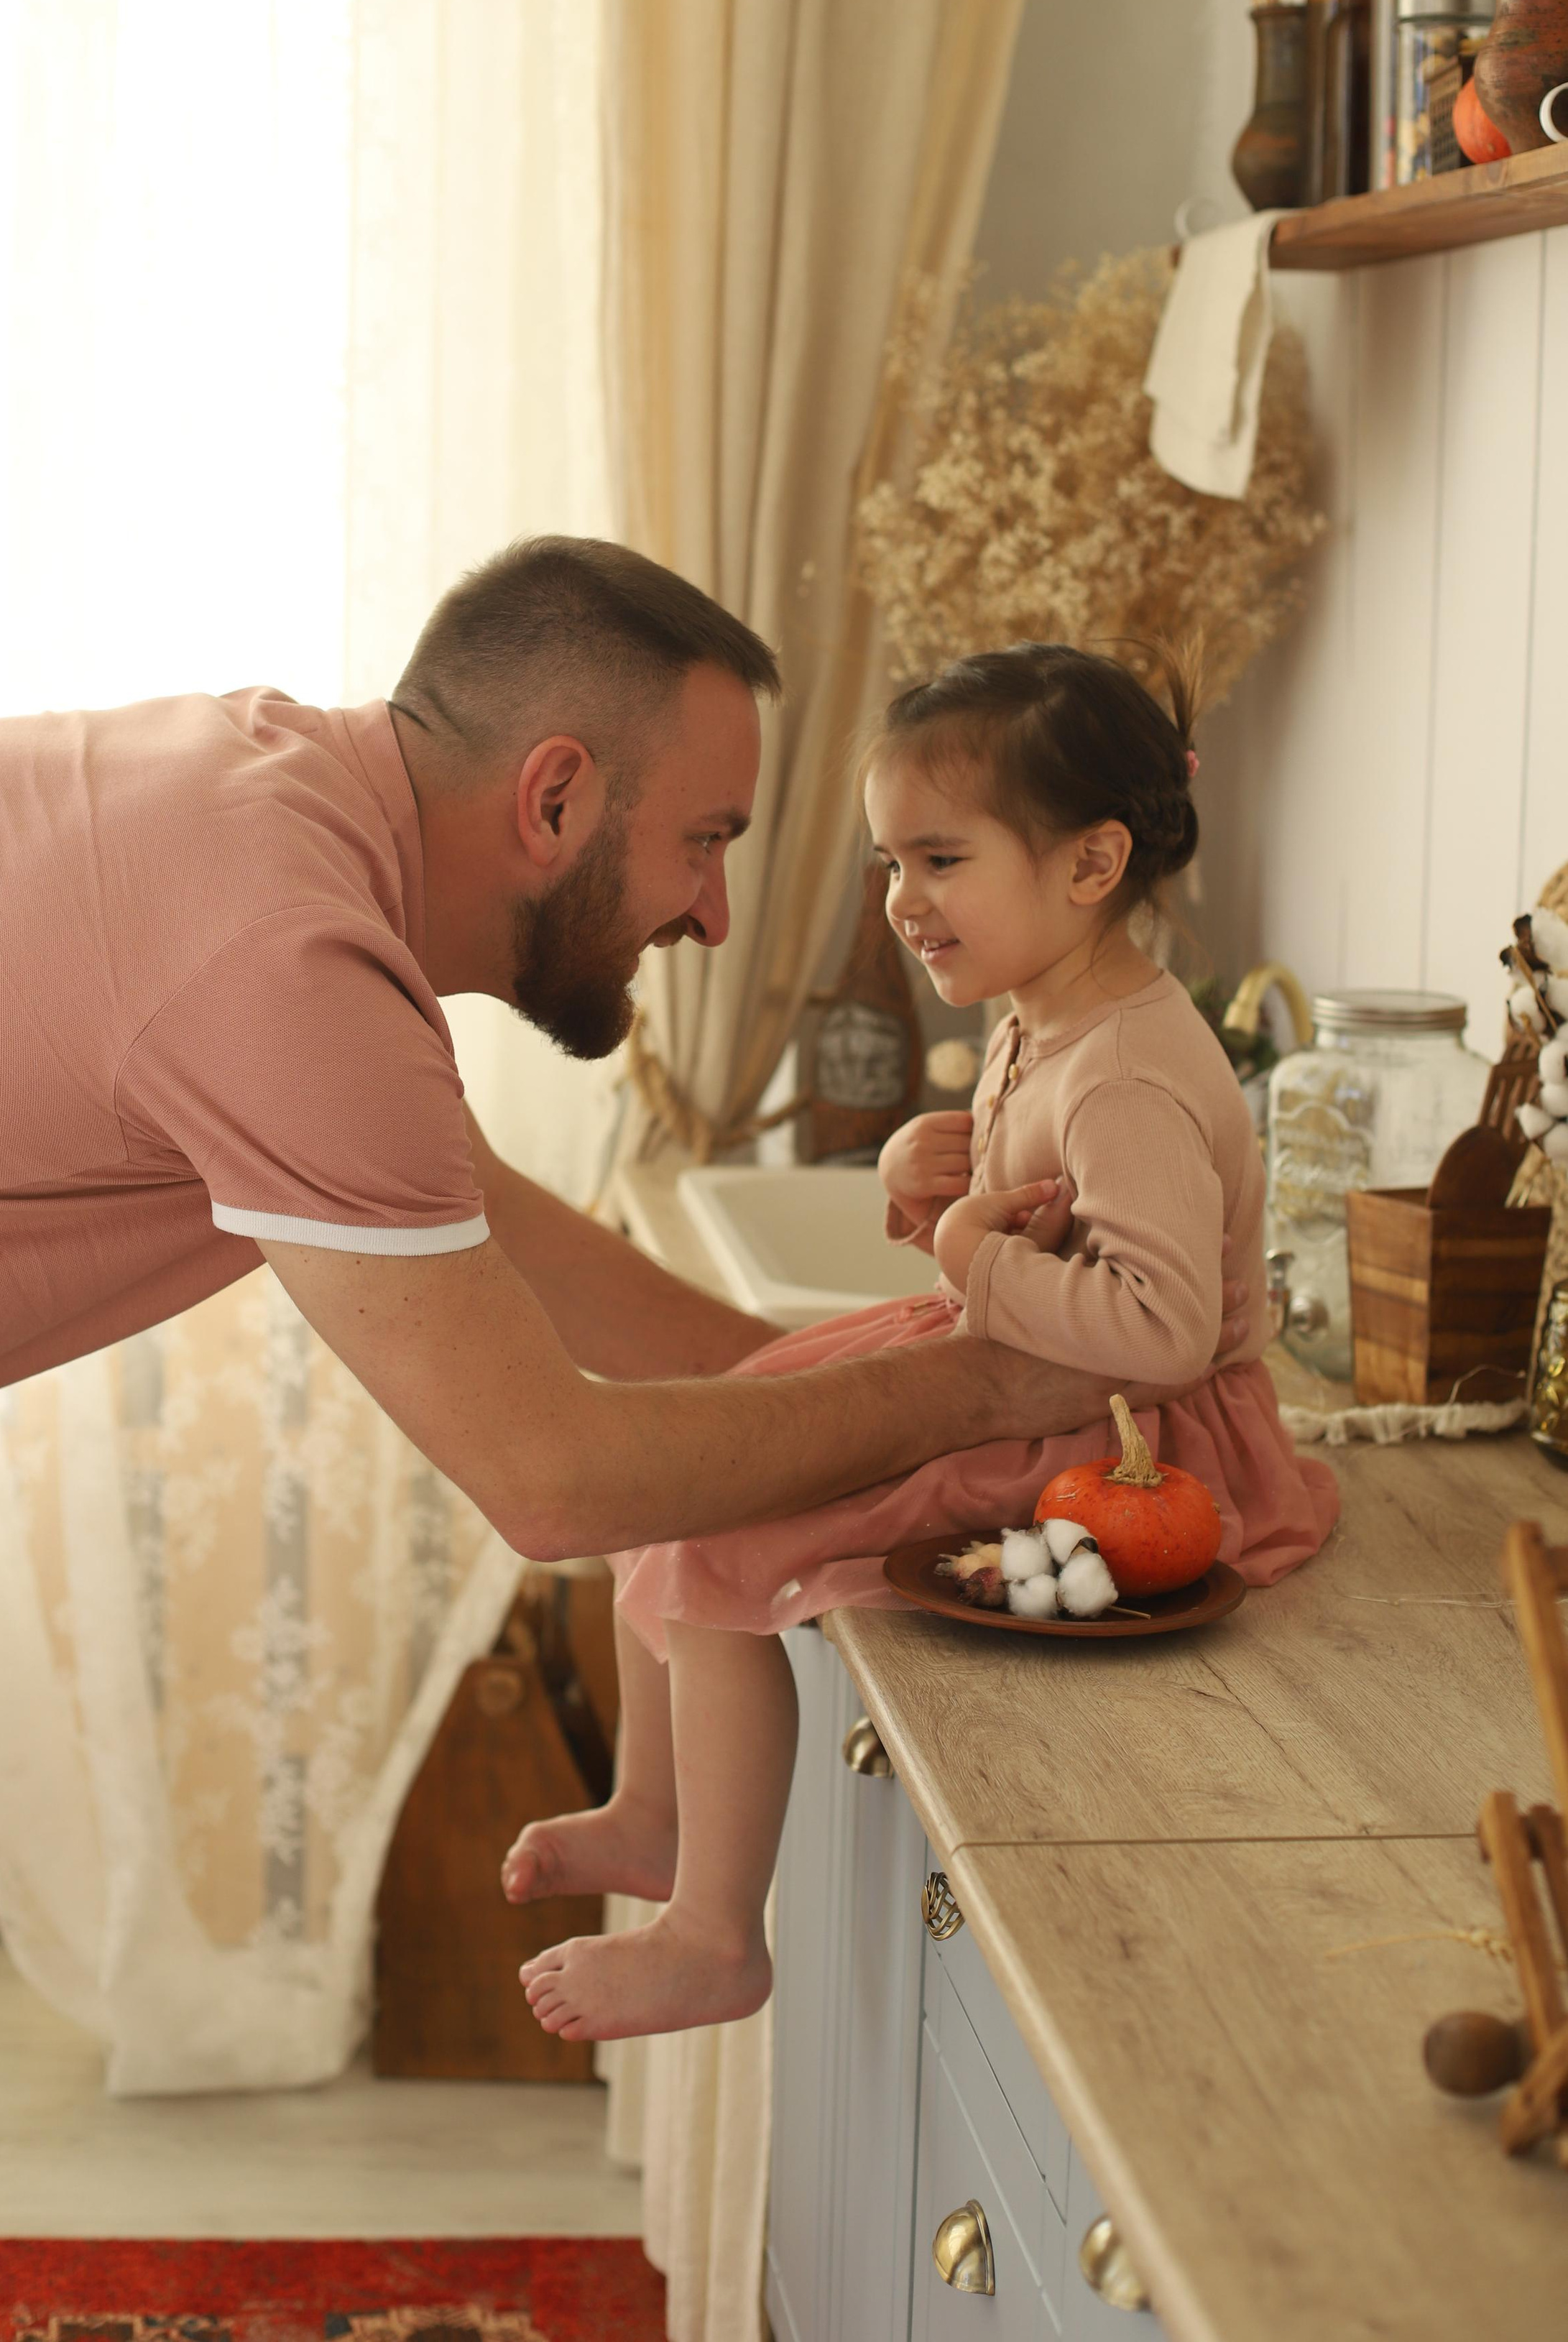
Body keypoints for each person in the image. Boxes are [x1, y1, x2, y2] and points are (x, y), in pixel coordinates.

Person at [0, 545, 1255, 2339]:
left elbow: (481, 1222)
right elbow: (553, 1480)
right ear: (553, 796)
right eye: (705, 841)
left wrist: (836, 1379)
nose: (708, 916)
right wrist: (985, 1390)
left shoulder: (277, 816)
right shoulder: (281, 957)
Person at [509, 642, 1339, 2047]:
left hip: (1121, 1437)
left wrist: (964, 1249)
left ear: (1087, 866)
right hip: (1020, 1377)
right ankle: (655, 1815)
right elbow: (1035, 1219)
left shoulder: (1127, 1070)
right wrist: (927, 1182)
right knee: (692, 1452)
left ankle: (714, 1933)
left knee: (719, 1536)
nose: (902, 904)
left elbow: (1157, 1327)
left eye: (938, 861)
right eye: (892, 864)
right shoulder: (1056, 1014)